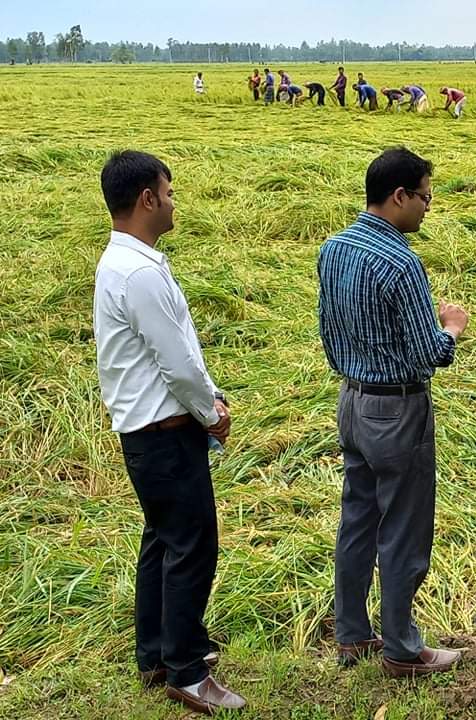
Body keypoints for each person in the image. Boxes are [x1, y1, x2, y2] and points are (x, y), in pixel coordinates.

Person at [93, 151, 246, 714]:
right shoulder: (137, 273)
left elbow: (176, 354)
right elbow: (176, 363)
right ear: (147, 200)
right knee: (191, 546)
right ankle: (186, 670)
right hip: (164, 431)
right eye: (170, 191)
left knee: (162, 540)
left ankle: (157, 652)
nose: (175, 201)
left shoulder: (127, 262)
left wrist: (206, 399)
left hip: (148, 431)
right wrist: (213, 412)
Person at [317, 147, 470, 677]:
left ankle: (352, 634)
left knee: (357, 521)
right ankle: (403, 648)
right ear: (399, 196)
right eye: (425, 197)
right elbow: (429, 352)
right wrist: (450, 326)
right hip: (396, 409)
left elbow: (326, 330)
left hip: (351, 400)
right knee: (403, 530)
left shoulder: (334, 248)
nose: (429, 207)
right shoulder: (400, 261)